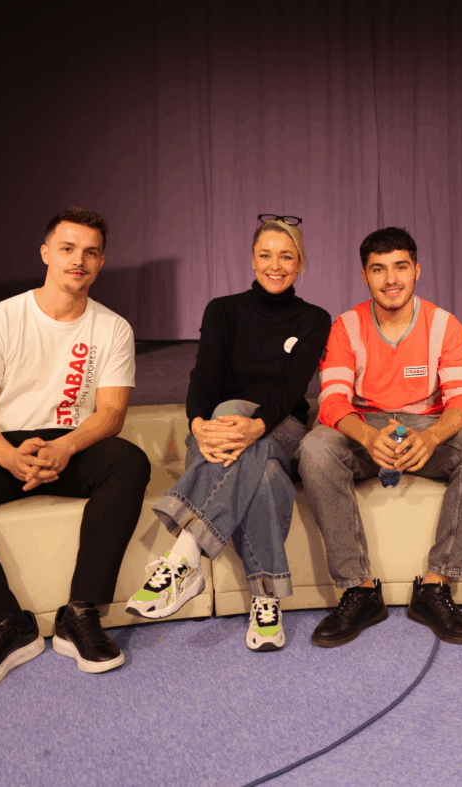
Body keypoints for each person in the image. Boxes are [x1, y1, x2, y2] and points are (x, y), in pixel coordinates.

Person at [0, 207, 151, 694]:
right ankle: (6, 625)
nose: (79, 260)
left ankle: (80, 613)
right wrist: (11, 457)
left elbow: (111, 413)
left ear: (101, 262)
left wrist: (66, 447)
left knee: (128, 460)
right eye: (68, 249)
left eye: (91, 252)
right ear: (46, 253)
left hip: (70, 443)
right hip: (5, 446)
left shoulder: (112, 328)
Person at [126, 215, 330, 651]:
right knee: (268, 477)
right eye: (265, 255)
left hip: (282, 428)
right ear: (252, 260)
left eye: (286, 256)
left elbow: (290, 389)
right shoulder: (223, 309)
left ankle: (184, 557)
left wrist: (256, 424)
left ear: (301, 264)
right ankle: (266, 600)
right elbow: (204, 375)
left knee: (239, 412)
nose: (275, 265)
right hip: (217, 433)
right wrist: (198, 424)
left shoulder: (315, 318)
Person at [298, 227, 462, 647]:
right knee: (314, 448)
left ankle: (435, 587)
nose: (390, 279)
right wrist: (366, 436)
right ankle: (359, 590)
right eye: (379, 269)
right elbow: (332, 400)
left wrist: (430, 438)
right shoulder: (346, 326)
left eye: (400, 267)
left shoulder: (444, 324)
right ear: (365, 276)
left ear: (416, 271)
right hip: (366, 432)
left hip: (425, 434)